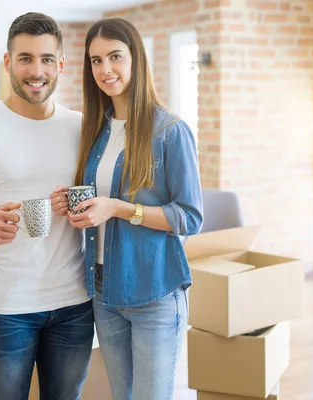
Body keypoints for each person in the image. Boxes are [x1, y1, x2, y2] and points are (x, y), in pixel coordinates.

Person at [0, 12, 94, 400]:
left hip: (74, 304)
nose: (35, 70)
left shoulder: (82, 127)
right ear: (8, 63)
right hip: (8, 308)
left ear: (60, 65)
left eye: (45, 59)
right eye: (25, 58)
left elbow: (99, 203)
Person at [50, 17, 203, 400]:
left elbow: (189, 217)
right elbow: (101, 196)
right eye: (96, 60)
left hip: (155, 292)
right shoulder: (96, 129)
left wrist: (119, 208)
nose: (105, 69)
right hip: (104, 291)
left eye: (115, 57)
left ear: (136, 58)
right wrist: (73, 200)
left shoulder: (169, 130)